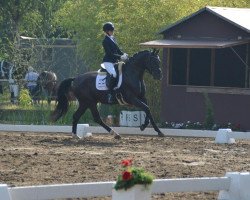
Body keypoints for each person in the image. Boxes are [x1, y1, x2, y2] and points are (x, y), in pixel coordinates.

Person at [101, 22, 128, 103]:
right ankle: (110, 94)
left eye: (112, 30)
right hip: (108, 62)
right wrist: (120, 57)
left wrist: (123, 54)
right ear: (107, 31)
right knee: (114, 74)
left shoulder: (113, 39)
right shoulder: (105, 41)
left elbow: (118, 50)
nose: (112, 32)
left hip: (115, 62)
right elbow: (109, 53)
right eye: (111, 30)